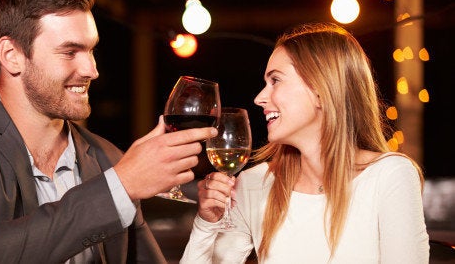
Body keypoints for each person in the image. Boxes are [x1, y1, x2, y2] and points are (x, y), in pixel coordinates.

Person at [0, 0, 217, 264]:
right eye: (70, 52)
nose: (91, 70)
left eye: (91, 51)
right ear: (12, 56)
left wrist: (208, 224)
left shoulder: (106, 157)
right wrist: (121, 186)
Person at [181, 22, 429, 263]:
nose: (259, 98)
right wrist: (207, 223)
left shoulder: (389, 175)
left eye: (275, 80)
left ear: (321, 89)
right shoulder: (254, 184)